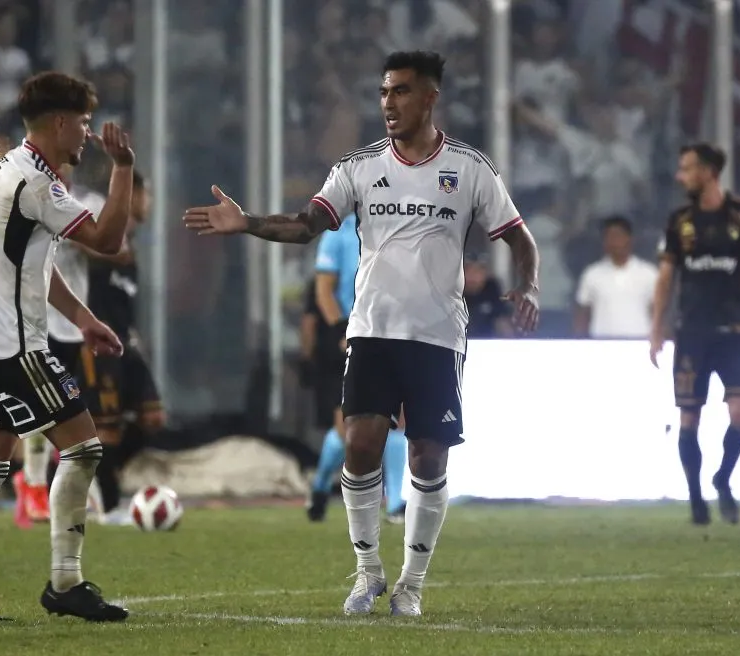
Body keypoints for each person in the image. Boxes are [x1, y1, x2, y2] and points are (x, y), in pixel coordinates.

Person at [183, 51, 539, 617]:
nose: (388, 103)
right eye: (383, 92)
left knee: (428, 455)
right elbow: (306, 227)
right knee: (361, 443)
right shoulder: (358, 167)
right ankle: (368, 572)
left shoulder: (470, 168)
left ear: (429, 97)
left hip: (438, 336)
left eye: (400, 91)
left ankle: (412, 585)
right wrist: (246, 222)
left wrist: (529, 286)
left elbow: (519, 238)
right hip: (372, 330)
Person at [0, 71, 134, 623]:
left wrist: (84, 319)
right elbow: (110, 241)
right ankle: (66, 582)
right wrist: (124, 168)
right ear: (61, 122)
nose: (88, 135)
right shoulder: (39, 185)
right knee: (85, 448)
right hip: (14, 348)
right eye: (85, 124)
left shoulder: (8, 169)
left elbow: (31, 268)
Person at [650, 142, 740, 526]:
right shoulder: (679, 221)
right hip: (691, 333)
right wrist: (657, 328)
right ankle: (695, 497)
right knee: (689, 418)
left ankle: (723, 478)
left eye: (687, 168)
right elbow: (666, 277)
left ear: (708, 172)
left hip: (735, 333)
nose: (680, 176)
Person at [18, 166, 107, 527]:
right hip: (35, 319)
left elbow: (112, 248)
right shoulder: (27, 193)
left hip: (73, 326)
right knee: (43, 409)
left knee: (67, 410)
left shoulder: (88, 203)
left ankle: (48, 489)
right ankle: (36, 486)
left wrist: (82, 236)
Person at [307, 214, 408, 524]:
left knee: (397, 419)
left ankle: (394, 503)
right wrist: (341, 329)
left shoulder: (401, 228)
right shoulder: (339, 232)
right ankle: (321, 484)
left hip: (391, 335)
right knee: (347, 427)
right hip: (351, 337)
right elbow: (324, 290)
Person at [78, 169, 167, 515]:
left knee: (153, 418)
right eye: (147, 195)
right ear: (132, 196)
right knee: (107, 428)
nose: (151, 203)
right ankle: (109, 503)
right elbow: (81, 250)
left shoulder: (131, 247)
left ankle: (101, 475)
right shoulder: (100, 236)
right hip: (100, 343)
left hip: (125, 342)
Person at [574, 216, 658, 339]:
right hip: (601, 345)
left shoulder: (649, 273)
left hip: (641, 345)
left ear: (630, 239)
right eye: (609, 237)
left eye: (618, 236)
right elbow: (583, 315)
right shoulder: (591, 274)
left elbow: (658, 313)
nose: (614, 241)